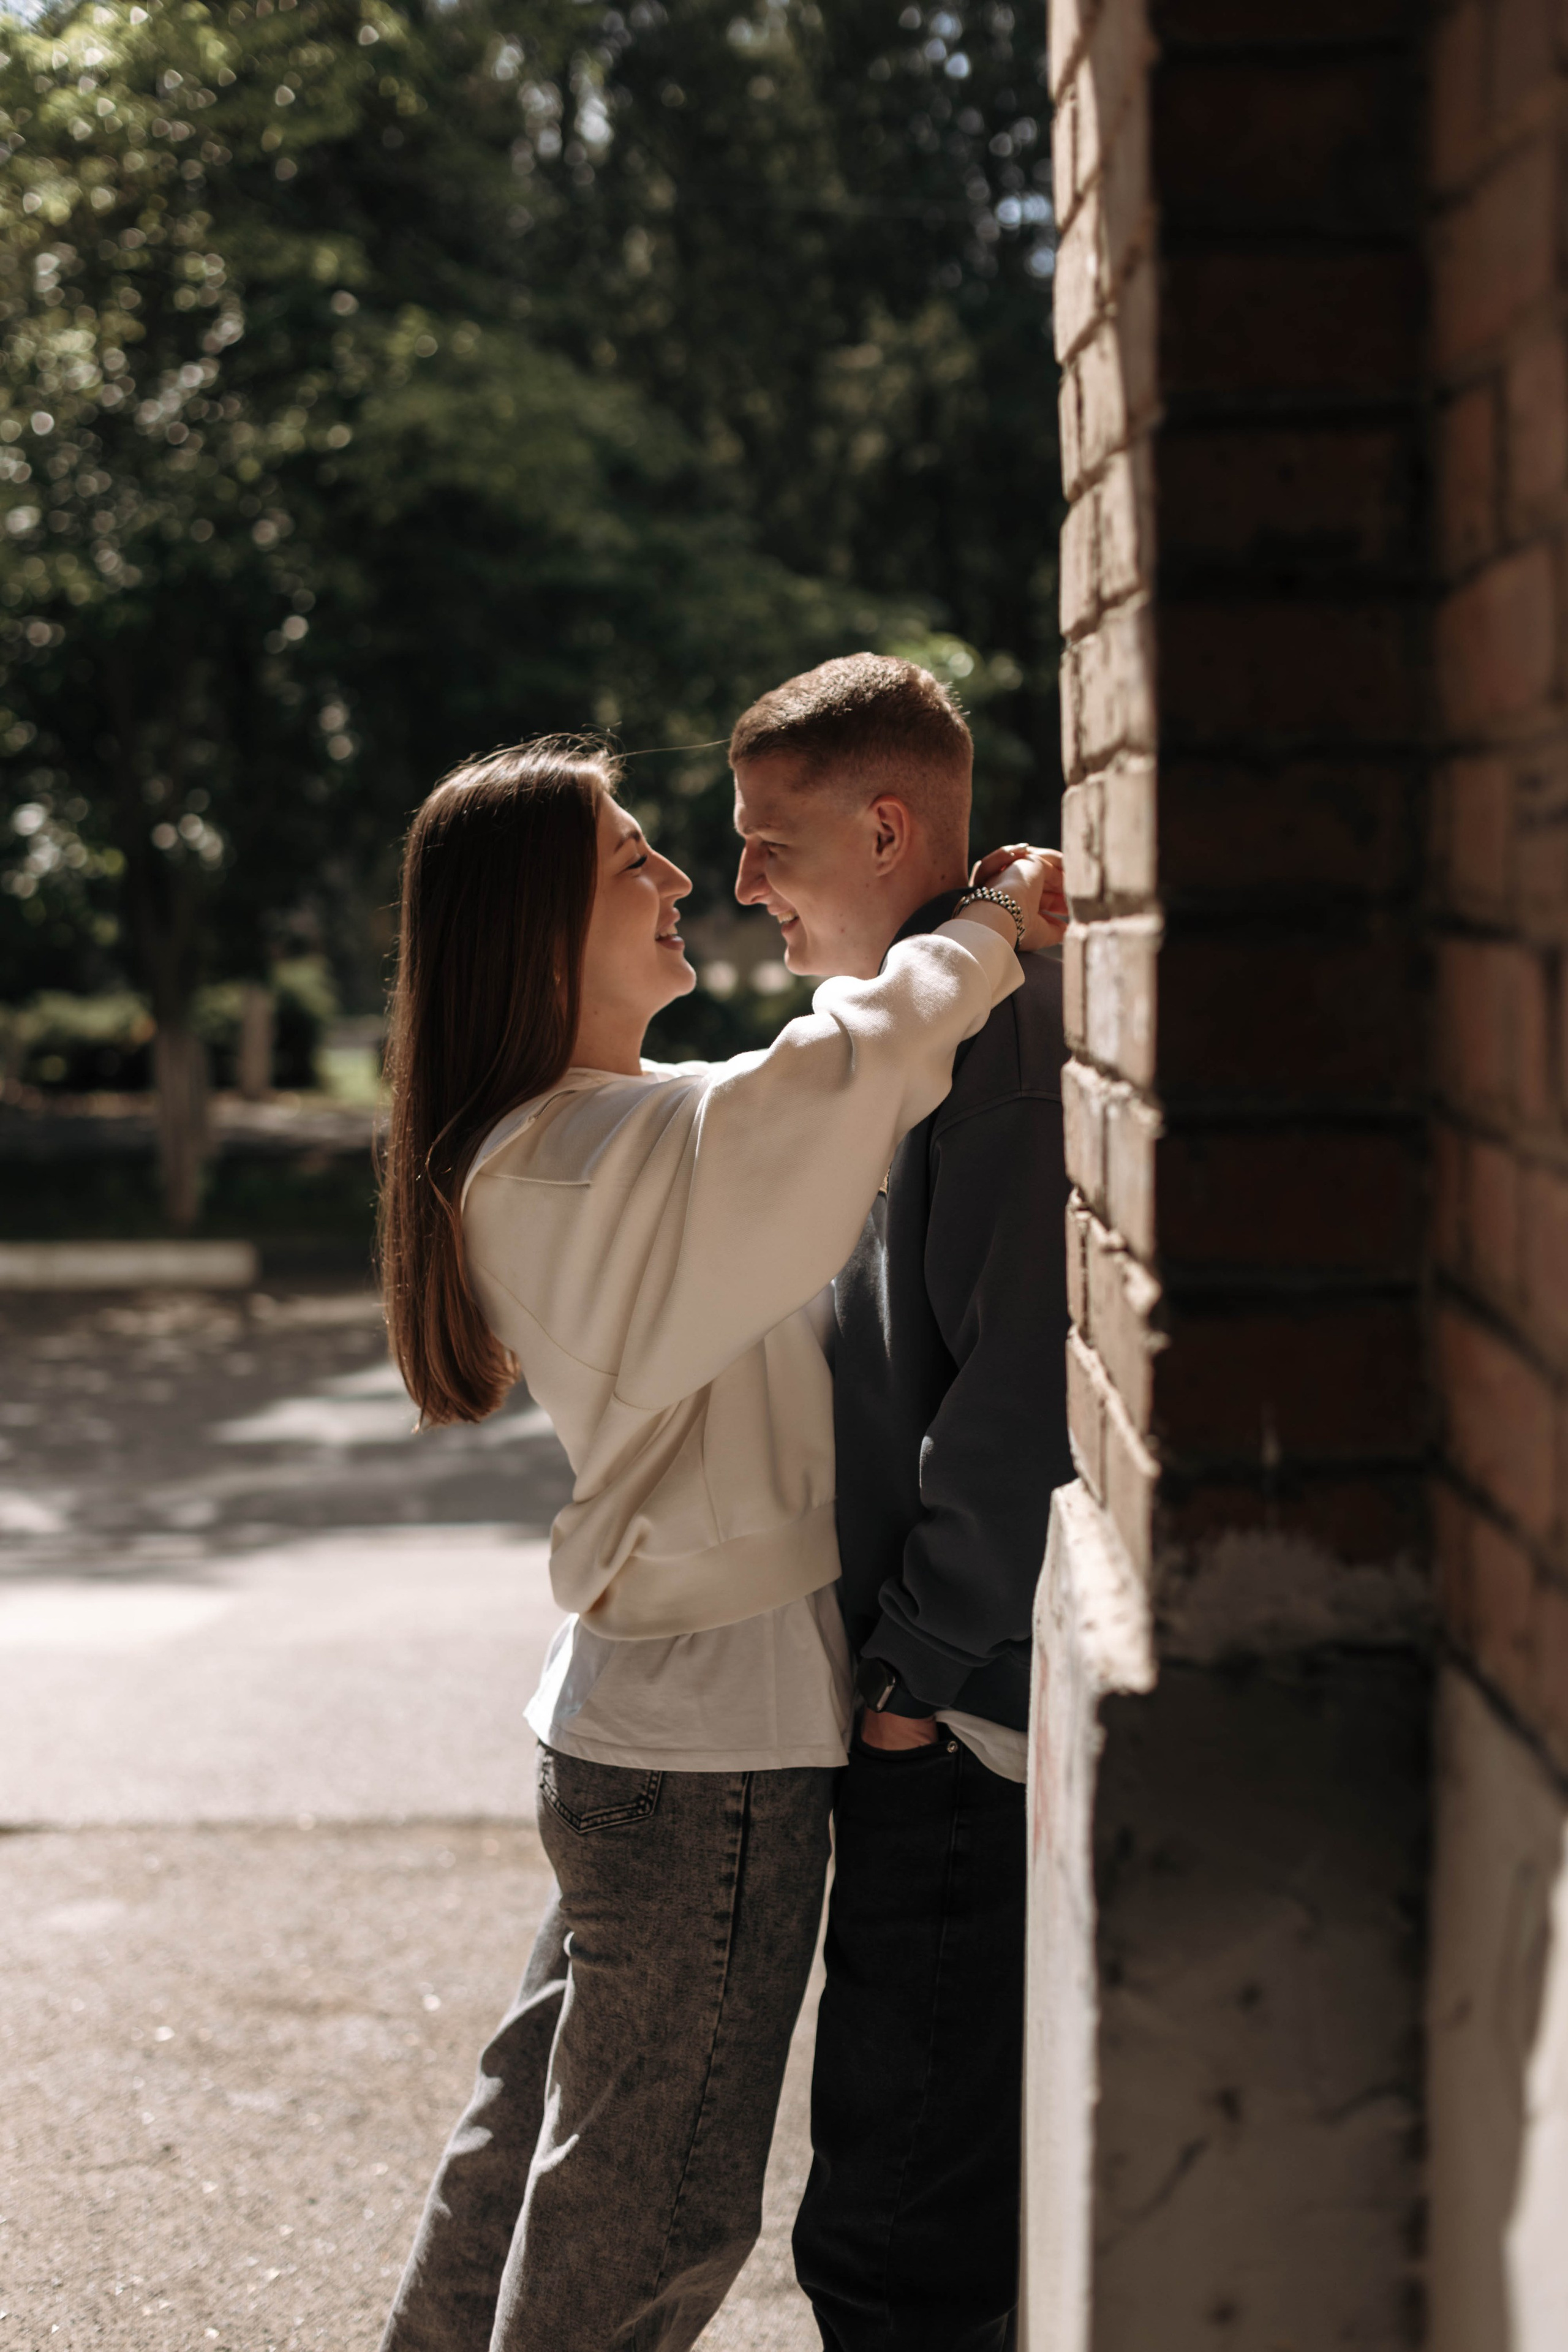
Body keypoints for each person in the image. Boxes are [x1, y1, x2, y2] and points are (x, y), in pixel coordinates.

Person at [374, 733, 1063, 2352]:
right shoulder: (589, 1164)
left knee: (530, 2157)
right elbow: (827, 1084)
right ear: (540, 932)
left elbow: (763, 1113)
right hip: (708, 1766)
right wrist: (989, 933)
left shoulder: (576, 1133)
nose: (682, 876)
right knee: (655, 2211)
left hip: (645, 1730)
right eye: (632, 861)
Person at [729, 654, 1073, 2352]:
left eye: (767, 844)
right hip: (925, 1714)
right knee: (902, 2204)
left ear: (883, 827)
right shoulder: (917, 1028)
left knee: (895, 2235)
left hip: (953, 1735)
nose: (741, 884)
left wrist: (912, 1689)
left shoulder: (996, 1042)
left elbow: (1025, 1386)